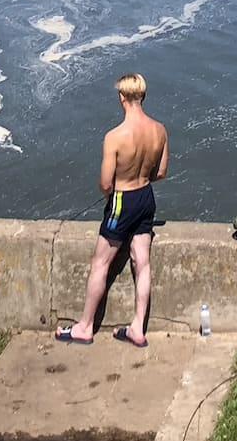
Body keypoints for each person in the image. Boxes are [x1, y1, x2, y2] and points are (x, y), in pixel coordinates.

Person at [55, 72, 169, 348]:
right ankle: (138, 328)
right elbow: (162, 172)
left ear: (121, 97)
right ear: (143, 95)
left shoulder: (115, 137)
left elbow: (106, 183)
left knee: (100, 263)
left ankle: (84, 327)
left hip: (122, 199)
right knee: (142, 263)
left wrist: (114, 194)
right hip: (146, 197)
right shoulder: (160, 130)